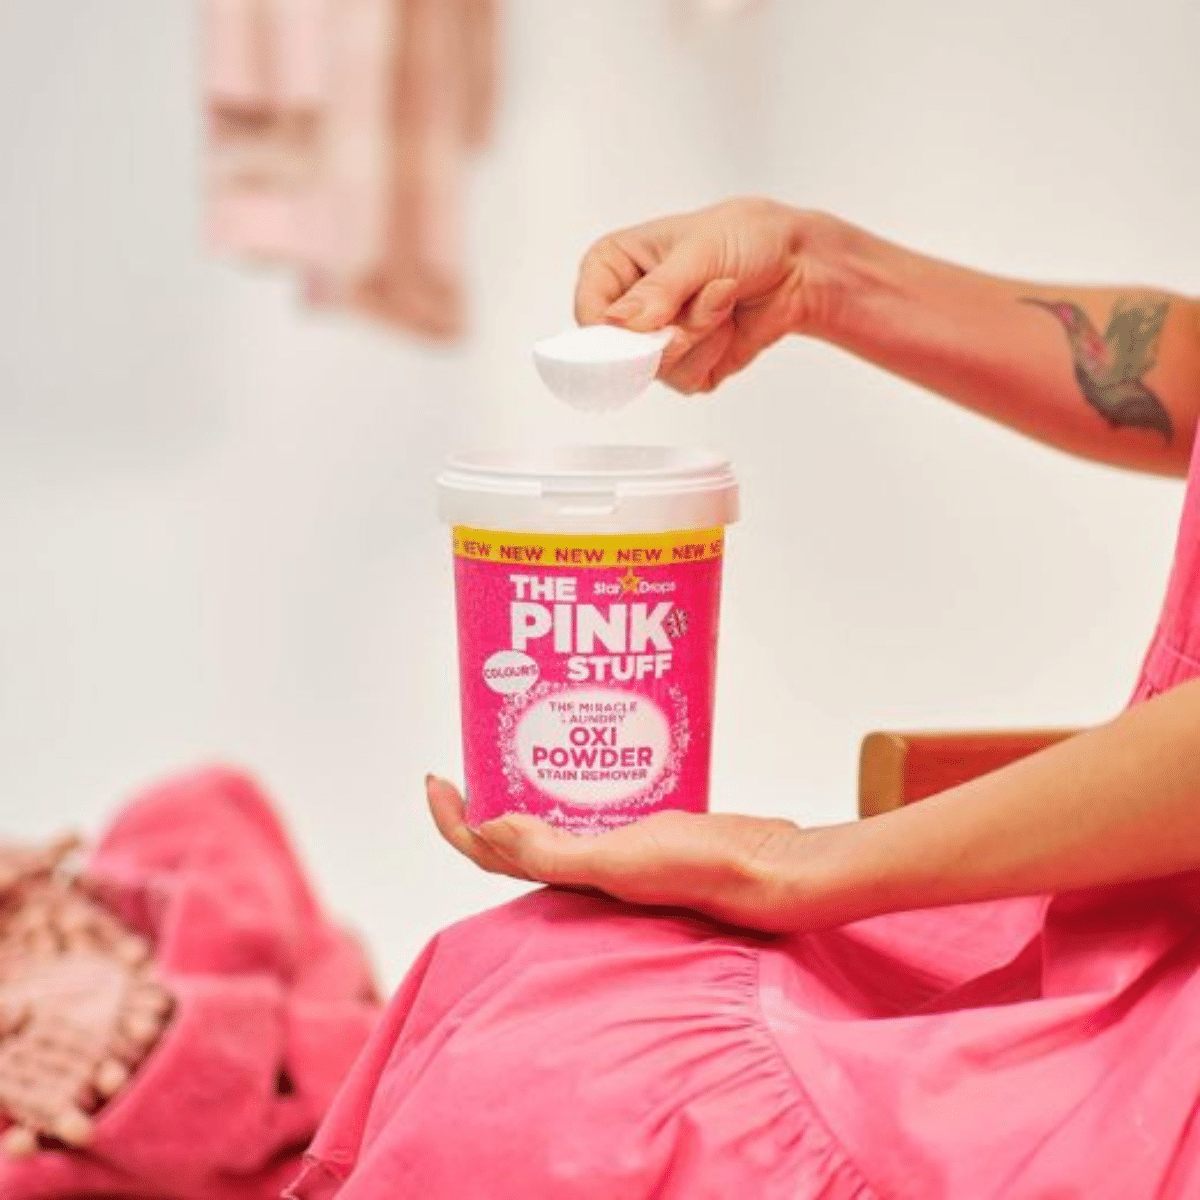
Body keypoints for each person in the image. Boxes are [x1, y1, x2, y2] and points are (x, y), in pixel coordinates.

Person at [289, 200, 1200, 1199]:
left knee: (580, 1077)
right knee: (531, 968)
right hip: (1128, 893)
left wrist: (787, 864)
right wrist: (819, 268)